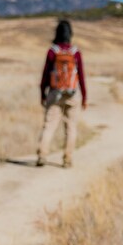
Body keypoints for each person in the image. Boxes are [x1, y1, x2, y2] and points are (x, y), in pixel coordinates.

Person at [37, 20, 87, 168]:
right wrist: (84, 97)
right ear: (70, 34)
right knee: (71, 127)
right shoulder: (75, 52)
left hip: (55, 93)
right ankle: (67, 159)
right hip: (72, 94)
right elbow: (81, 76)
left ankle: (42, 155)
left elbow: (45, 75)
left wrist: (43, 93)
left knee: (49, 126)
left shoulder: (53, 51)